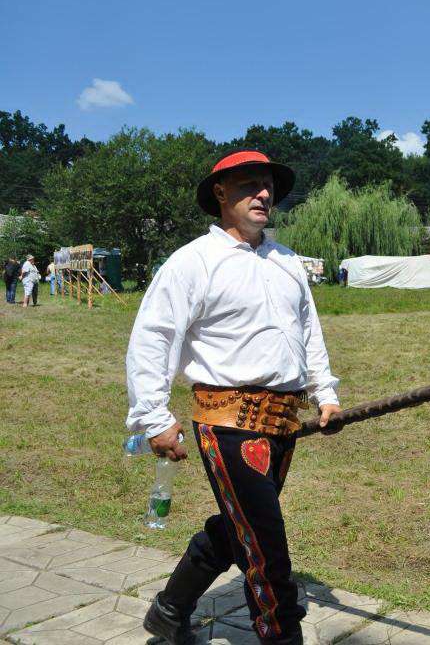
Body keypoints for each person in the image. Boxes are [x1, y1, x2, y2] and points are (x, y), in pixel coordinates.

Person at [127, 150, 343, 645]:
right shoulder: (192, 262)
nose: (263, 193)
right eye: (249, 184)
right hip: (226, 423)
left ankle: (169, 609)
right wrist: (154, 418)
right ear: (221, 194)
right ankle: (280, 635)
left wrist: (324, 391)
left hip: (282, 422)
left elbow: (308, 332)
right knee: (266, 547)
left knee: (238, 525)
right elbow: (153, 338)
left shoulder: (287, 261)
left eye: (267, 185)